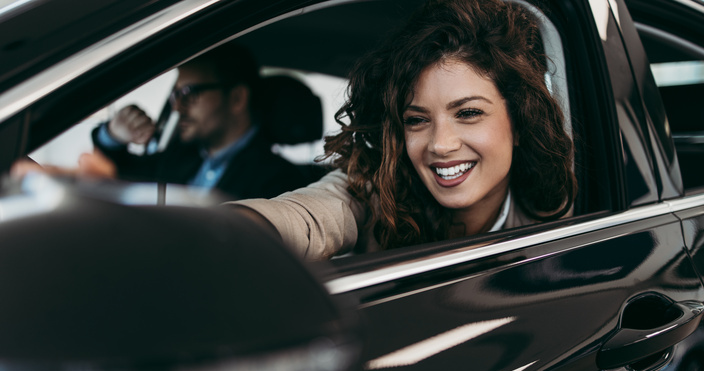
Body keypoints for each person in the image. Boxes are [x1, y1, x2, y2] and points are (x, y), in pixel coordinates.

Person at [230, 0, 577, 261]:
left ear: (519, 122)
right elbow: (308, 219)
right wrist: (217, 235)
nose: (440, 145)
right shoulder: (373, 187)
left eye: (468, 113)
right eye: (416, 120)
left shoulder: (564, 210)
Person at [89, 42, 311, 200]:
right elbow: (117, 172)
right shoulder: (176, 159)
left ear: (237, 98)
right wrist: (113, 135)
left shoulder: (280, 183)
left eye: (189, 93)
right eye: (176, 95)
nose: (177, 108)